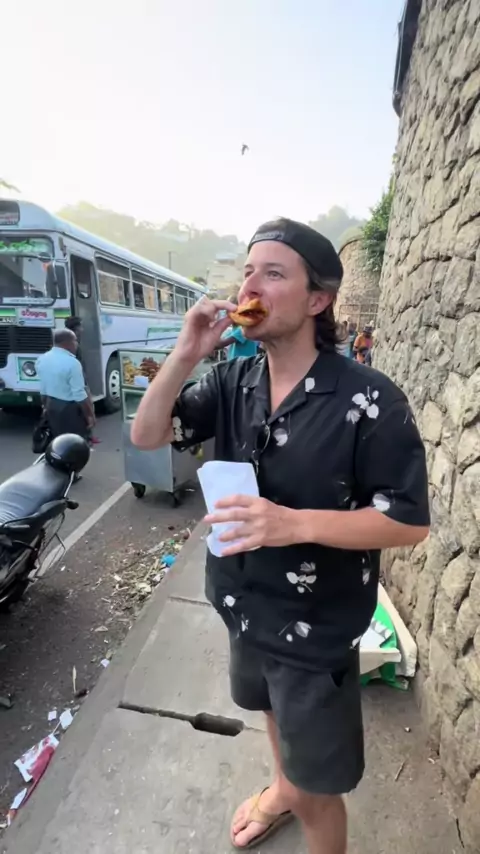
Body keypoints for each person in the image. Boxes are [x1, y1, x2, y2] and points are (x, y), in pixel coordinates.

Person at [131, 217, 430, 854]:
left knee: (321, 791)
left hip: (315, 629)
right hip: (240, 602)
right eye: (248, 272)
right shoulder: (233, 381)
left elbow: (408, 520)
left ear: (318, 299)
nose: (251, 287)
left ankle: (299, 796)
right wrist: (186, 354)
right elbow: (148, 435)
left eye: (273, 273)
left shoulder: (370, 400)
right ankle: (282, 789)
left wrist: (290, 523)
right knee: (269, 711)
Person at [37, 329, 94, 478]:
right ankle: (72, 474)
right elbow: (80, 394)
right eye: (75, 341)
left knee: (57, 439)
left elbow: (43, 388)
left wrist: (44, 406)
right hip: (69, 409)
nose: (76, 344)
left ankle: (56, 469)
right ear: (67, 343)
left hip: (51, 404)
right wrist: (89, 415)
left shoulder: (42, 359)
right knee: (73, 443)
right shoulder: (72, 363)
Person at [64, 316, 99, 444]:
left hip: (74, 379)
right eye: (81, 326)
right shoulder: (74, 344)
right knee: (87, 407)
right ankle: (87, 436)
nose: (82, 329)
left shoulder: (67, 341)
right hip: (79, 380)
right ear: (76, 328)